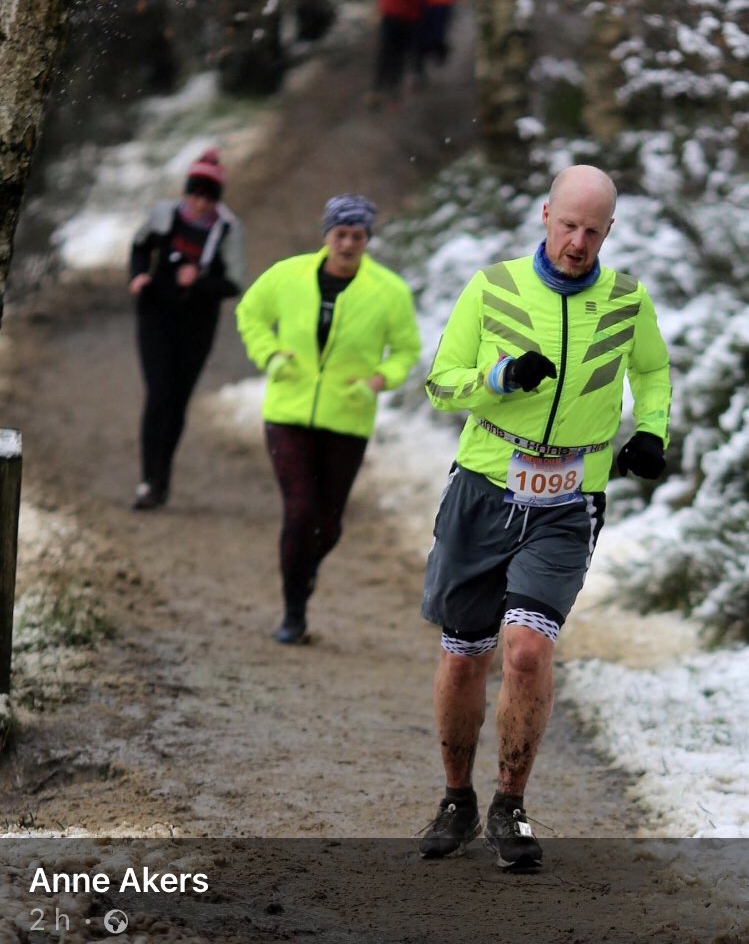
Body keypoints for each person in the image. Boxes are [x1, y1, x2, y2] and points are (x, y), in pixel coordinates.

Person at [417, 165, 671, 868]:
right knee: (464, 654)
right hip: (484, 487)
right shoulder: (492, 287)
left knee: (527, 649)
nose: (577, 242)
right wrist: (499, 378)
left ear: (609, 231)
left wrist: (651, 430)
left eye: (592, 231)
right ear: (544, 216)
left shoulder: (626, 300)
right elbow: (441, 384)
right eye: (567, 226)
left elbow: (652, 370)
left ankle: (510, 805)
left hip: (568, 498)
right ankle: (456, 797)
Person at [235, 194, 421, 645]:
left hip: (348, 417)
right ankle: (294, 612)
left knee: (329, 523)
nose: (348, 244)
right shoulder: (289, 275)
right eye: (341, 234)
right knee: (300, 510)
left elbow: (406, 349)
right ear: (326, 235)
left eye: (357, 236)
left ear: (367, 239)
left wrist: (378, 380)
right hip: (288, 412)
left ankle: (305, 566)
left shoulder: (389, 291)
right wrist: (269, 355)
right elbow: (250, 314)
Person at [129, 148, 245, 510]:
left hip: (197, 325)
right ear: (186, 192)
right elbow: (139, 246)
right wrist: (139, 276)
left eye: (208, 198)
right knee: (158, 394)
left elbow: (233, 284)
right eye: (195, 195)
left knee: (177, 401)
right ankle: (148, 480)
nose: (200, 204)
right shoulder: (164, 215)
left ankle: (161, 477)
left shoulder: (227, 230)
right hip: (156, 315)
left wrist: (199, 281)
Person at [367, 0, 428, 108]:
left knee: (401, 54)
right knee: (386, 52)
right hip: (391, 15)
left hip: (410, 17)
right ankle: (377, 88)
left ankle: (394, 88)